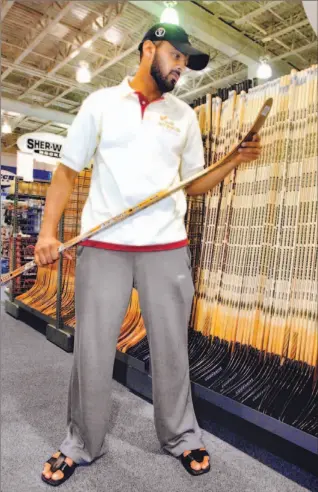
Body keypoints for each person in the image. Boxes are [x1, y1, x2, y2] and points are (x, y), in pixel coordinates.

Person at [36, 23, 262, 486]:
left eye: (187, 62)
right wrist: (46, 232)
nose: (181, 67)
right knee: (93, 352)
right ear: (148, 49)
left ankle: (181, 434)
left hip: (166, 245)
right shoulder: (99, 104)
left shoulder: (183, 116)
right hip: (104, 246)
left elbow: (192, 183)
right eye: (175, 56)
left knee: (172, 349)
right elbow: (65, 173)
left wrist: (232, 162)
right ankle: (80, 442)